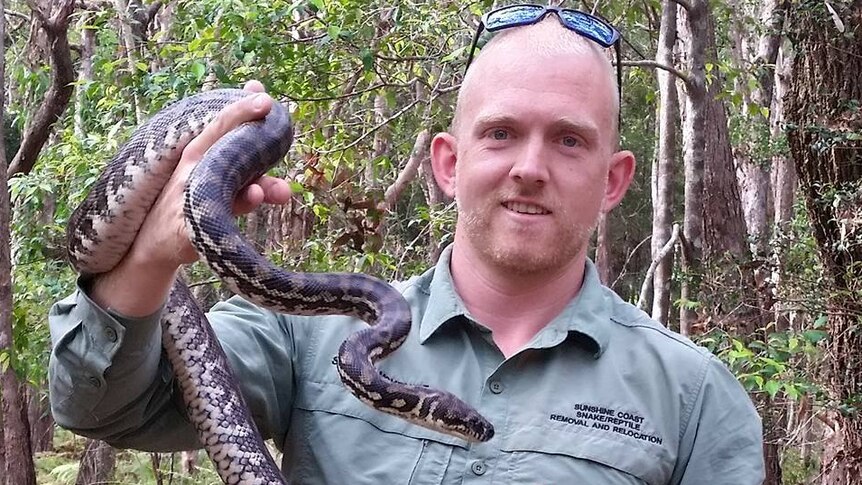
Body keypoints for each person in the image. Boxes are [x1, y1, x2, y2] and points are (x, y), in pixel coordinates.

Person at [48, 6, 765, 484]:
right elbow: (101, 408)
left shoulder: (696, 397)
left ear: (614, 181)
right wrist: (149, 260)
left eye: (569, 139)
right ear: (447, 162)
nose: (529, 167)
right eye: (501, 132)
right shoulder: (306, 335)